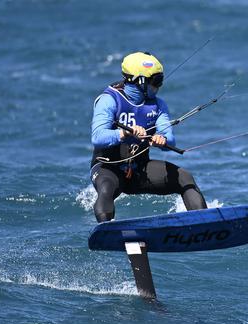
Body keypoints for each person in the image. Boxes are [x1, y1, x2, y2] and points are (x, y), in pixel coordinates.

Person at [89, 51, 207, 222]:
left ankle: (202, 224)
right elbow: (98, 137)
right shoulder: (109, 100)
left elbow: (169, 137)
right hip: (107, 168)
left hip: (138, 169)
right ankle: (106, 231)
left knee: (184, 177)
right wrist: (125, 133)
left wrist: (162, 140)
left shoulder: (158, 105)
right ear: (140, 81)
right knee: (106, 188)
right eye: (156, 81)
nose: (159, 86)